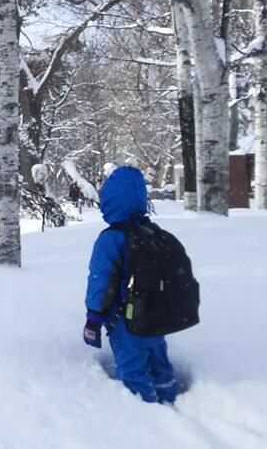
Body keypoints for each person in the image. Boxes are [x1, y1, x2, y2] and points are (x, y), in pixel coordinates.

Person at [82, 166, 177, 404]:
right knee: (159, 365)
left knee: (132, 370)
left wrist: (93, 318)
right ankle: (170, 399)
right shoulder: (154, 232)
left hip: (125, 321)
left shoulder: (110, 239)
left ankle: (146, 417)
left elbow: (100, 280)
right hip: (156, 318)